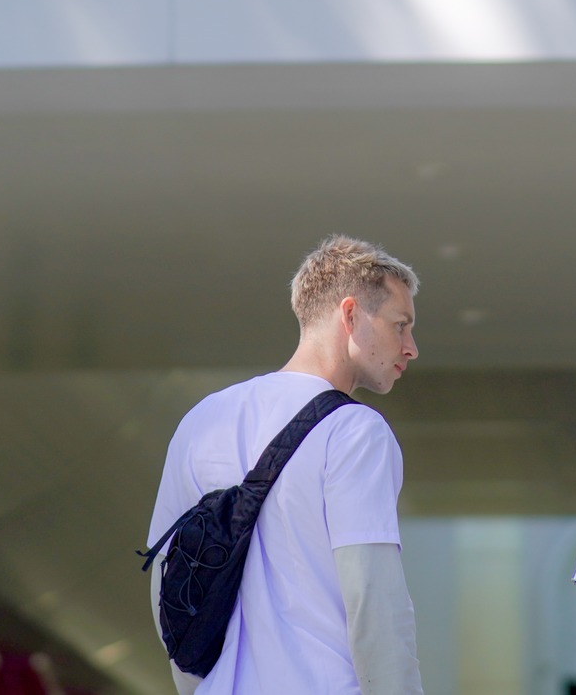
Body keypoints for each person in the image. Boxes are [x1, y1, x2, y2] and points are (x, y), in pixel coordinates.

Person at [148, 235, 425, 695]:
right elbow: (373, 599)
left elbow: (166, 581)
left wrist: (202, 684)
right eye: (401, 325)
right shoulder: (355, 431)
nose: (411, 347)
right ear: (351, 314)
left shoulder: (202, 420)